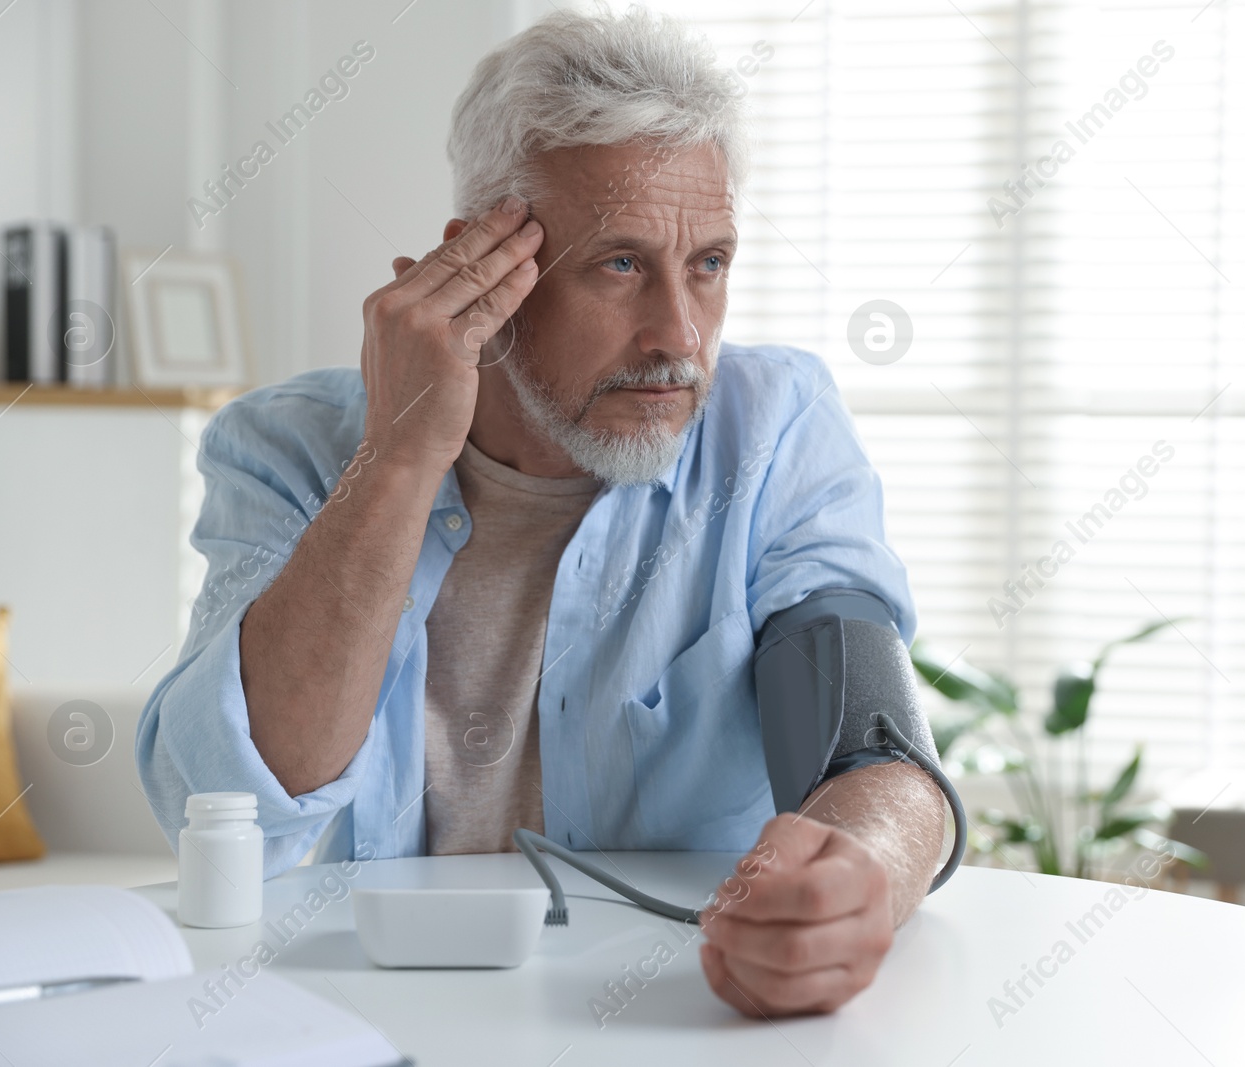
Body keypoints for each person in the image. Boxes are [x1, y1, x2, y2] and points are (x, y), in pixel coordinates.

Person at [137, 5, 944, 1018]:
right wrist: (399, 454)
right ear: (484, 262)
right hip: (350, 1009)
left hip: (666, 1013)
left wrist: (860, 873)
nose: (679, 336)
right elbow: (234, 808)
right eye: (620, 264)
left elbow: (868, 747)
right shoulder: (287, 446)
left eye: (708, 264)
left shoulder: (772, 429)